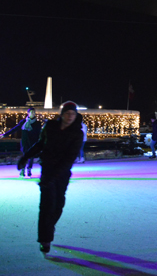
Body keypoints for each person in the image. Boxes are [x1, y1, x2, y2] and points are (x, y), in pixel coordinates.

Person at [17, 101, 84, 254]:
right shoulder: (50, 127)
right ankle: (45, 240)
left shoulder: (77, 133)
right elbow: (40, 144)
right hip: (47, 170)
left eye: (73, 114)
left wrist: (54, 177)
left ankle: (49, 226)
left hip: (62, 173)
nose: (70, 117)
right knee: (46, 206)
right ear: (61, 114)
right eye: (67, 113)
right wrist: (25, 157)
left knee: (59, 204)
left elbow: (69, 159)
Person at [2, 107, 42, 177]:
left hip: (33, 142)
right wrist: (5, 135)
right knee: (24, 155)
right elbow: (15, 129)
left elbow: (38, 133)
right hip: (25, 142)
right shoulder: (23, 122)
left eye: (33, 112)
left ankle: (29, 169)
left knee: (31, 156)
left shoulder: (37, 123)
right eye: (31, 112)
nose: (32, 113)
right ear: (28, 113)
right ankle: (23, 169)